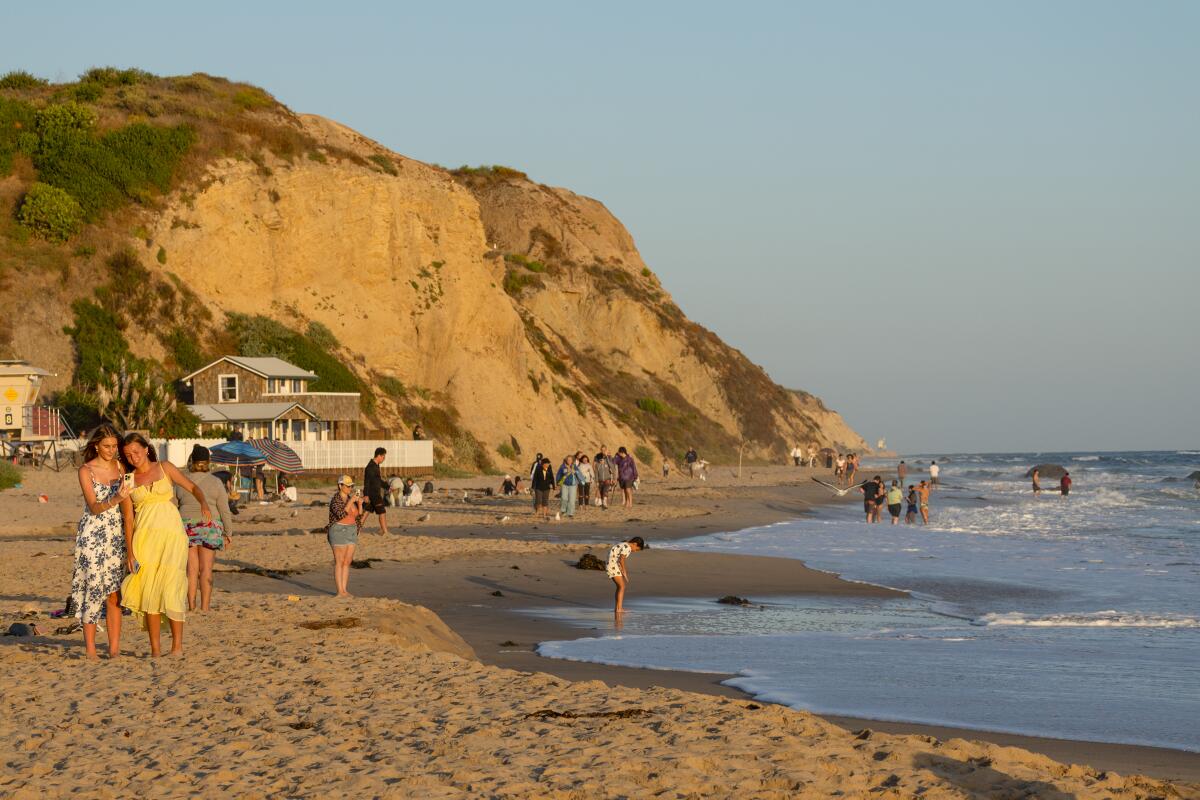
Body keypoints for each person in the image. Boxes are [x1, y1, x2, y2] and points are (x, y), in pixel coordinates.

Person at [119, 433, 211, 657]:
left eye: (136, 452)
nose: (133, 457)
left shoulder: (165, 467)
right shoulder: (128, 480)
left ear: (146, 448)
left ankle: (177, 647)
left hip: (171, 534)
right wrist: (130, 552)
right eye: (128, 454)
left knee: (172, 588)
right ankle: (155, 650)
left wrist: (204, 504)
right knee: (149, 591)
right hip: (145, 537)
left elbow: (193, 487)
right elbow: (128, 519)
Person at [71, 424, 132, 659]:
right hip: (92, 535)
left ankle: (114, 649)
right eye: (107, 446)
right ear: (96, 445)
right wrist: (116, 497)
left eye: (115, 446)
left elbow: (128, 510)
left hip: (116, 535)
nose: (111, 450)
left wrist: (131, 542)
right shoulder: (86, 471)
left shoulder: (121, 467)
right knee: (93, 590)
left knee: (115, 594)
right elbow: (94, 507)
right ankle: (91, 650)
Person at [177, 445, 234, 612]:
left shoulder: (181, 480)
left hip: (186, 526)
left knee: (191, 569)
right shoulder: (216, 482)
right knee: (206, 568)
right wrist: (228, 532)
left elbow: (174, 504)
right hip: (210, 526)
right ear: (208, 462)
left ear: (192, 461)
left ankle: (192, 606)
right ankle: (205, 607)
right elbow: (224, 509)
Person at [327, 475, 364, 597]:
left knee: (347, 562)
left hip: (351, 531)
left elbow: (358, 515)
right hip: (338, 530)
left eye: (351, 486)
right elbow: (341, 514)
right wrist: (351, 501)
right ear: (340, 486)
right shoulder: (335, 500)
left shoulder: (350, 498)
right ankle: (340, 591)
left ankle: (345, 590)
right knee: (340, 561)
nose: (350, 488)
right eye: (347, 486)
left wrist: (359, 504)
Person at [607, 536, 648, 613]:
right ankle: (619, 609)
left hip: (612, 564)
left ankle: (618, 608)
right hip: (613, 565)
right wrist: (624, 572)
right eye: (636, 549)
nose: (635, 551)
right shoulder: (627, 547)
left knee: (620, 586)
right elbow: (622, 559)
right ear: (634, 544)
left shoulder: (623, 544)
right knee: (622, 586)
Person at [363, 447, 389, 535]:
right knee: (382, 511)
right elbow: (366, 482)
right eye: (383, 457)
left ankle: (356, 530)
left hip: (374, 493)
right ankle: (385, 531)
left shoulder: (376, 465)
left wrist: (387, 487)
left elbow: (378, 480)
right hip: (373, 494)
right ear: (378, 455)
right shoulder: (370, 467)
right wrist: (365, 495)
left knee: (367, 511)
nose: (384, 459)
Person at [556, 455, 583, 519]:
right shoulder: (562, 466)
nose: (569, 461)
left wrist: (575, 472)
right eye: (568, 460)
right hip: (564, 484)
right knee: (564, 498)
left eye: (570, 460)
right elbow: (558, 474)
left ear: (572, 460)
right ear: (566, 460)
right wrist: (557, 482)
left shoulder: (574, 466)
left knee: (572, 500)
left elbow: (579, 474)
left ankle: (570, 513)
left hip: (573, 485)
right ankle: (563, 511)